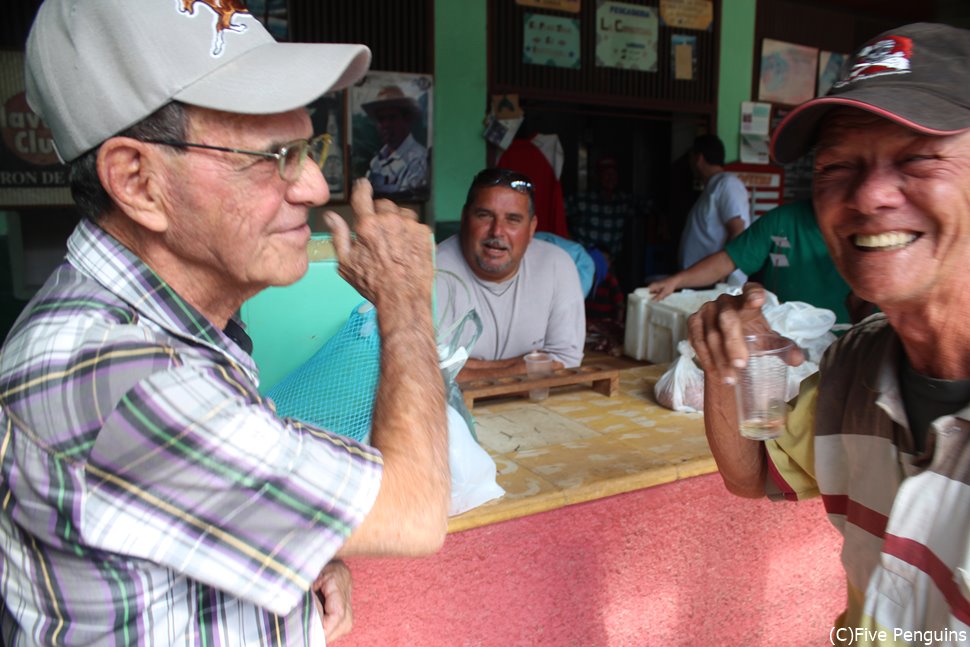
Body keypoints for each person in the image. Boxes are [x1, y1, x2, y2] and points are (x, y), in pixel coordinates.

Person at [1, 1, 449, 645]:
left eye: (308, 145)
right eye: (277, 156)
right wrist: (404, 301)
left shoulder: (175, 324)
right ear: (138, 182)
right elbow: (414, 508)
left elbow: (165, 516)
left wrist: (301, 554)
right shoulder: (114, 375)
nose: (316, 189)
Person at [688, 23, 970, 644]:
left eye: (918, 157)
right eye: (838, 165)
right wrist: (723, 357)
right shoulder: (858, 363)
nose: (868, 195)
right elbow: (753, 473)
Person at [435, 168, 586, 382]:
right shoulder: (433, 269)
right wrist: (526, 364)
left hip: (534, 404)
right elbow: (429, 372)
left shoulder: (557, 265)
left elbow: (566, 360)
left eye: (513, 219)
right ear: (464, 217)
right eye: (485, 215)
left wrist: (467, 367)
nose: (497, 231)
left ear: (532, 227)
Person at [647, 199, 855, 325]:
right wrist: (676, 281)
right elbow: (727, 260)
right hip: (782, 344)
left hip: (847, 344)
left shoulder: (869, 228)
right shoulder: (782, 221)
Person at [678, 134, 750, 285]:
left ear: (699, 158)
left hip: (716, 282)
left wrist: (722, 275)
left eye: (691, 158)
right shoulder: (712, 186)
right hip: (702, 281)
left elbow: (738, 230)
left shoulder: (727, 184)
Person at [566, 155, 648, 262]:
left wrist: (662, 220)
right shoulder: (581, 200)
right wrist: (569, 240)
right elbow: (555, 212)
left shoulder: (623, 202)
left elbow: (649, 206)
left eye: (613, 174)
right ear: (598, 177)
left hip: (610, 265)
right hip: (584, 263)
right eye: (606, 174)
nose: (610, 177)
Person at [363, 85, 429, 198]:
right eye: (381, 119)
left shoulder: (418, 159)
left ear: (406, 119)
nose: (386, 125)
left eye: (392, 118)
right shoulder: (376, 161)